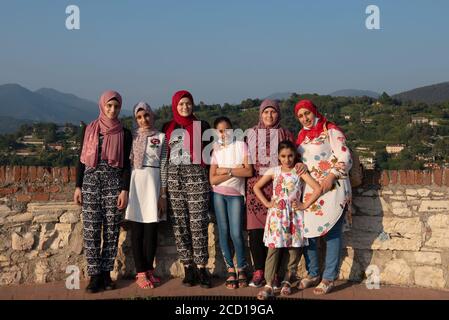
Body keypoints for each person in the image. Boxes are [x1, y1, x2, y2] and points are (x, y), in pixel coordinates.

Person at [74, 90, 132, 293]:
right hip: (90, 183)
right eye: (109, 106)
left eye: (116, 106)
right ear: (102, 106)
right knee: (91, 230)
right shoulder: (90, 129)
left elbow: (126, 165)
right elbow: (81, 160)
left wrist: (124, 189)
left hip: (113, 184)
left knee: (111, 230)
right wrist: (78, 186)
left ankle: (107, 273)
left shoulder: (124, 133)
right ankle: (94, 275)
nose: (112, 110)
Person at [246, 99, 306, 288]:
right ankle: (259, 271)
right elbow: (244, 158)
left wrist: (301, 163)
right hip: (256, 186)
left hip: (280, 189)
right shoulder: (251, 134)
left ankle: (276, 275)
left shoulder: (285, 133)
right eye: (265, 112)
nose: (269, 116)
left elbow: (295, 155)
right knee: (255, 231)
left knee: (280, 233)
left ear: (278, 114)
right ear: (260, 114)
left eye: (272, 112)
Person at [295, 99, 352, 295]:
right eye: (300, 116)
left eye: (307, 113)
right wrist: (299, 166)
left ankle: (328, 277)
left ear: (314, 112)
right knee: (308, 233)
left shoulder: (330, 130)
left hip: (332, 188)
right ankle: (313, 274)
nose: (305, 118)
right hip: (311, 190)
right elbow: (299, 160)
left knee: (332, 233)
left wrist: (331, 175)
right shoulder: (301, 136)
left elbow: (345, 156)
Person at [253, 140, 321, 299]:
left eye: (290, 156)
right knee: (273, 249)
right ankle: (269, 285)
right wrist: (268, 203)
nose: (287, 159)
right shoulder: (274, 171)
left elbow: (317, 188)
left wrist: (304, 204)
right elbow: (257, 187)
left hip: (294, 216)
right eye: (283, 156)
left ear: (295, 156)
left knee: (293, 250)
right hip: (277, 216)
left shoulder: (300, 171)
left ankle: (287, 281)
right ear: (278, 157)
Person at [162, 90, 212, 288]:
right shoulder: (167, 127)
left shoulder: (203, 126)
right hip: (175, 182)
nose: (185, 107)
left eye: (188, 103)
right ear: (175, 105)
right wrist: (163, 190)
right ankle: (188, 268)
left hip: (197, 180)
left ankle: (202, 268)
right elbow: (163, 159)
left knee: (198, 223)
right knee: (180, 225)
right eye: (181, 104)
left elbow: (209, 158)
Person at [125, 102, 168, 289]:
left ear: (152, 115)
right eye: (140, 117)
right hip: (135, 184)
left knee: (151, 231)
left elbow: (165, 166)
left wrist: (163, 194)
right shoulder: (131, 137)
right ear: (136, 119)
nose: (144, 120)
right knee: (137, 232)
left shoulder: (161, 137)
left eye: (147, 115)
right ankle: (140, 272)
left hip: (154, 183)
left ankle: (149, 269)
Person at [209, 116, 253, 289]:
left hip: (235, 195)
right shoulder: (215, 151)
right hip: (218, 195)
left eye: (227, 129)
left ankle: (241, 267)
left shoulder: (241, 146)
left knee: (235, 233)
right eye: (220, 131)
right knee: (224, 233)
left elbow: (248, 171)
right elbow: (212, 179)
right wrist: (234, 171)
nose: (224, 133)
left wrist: (224, 171)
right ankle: (230, 270)